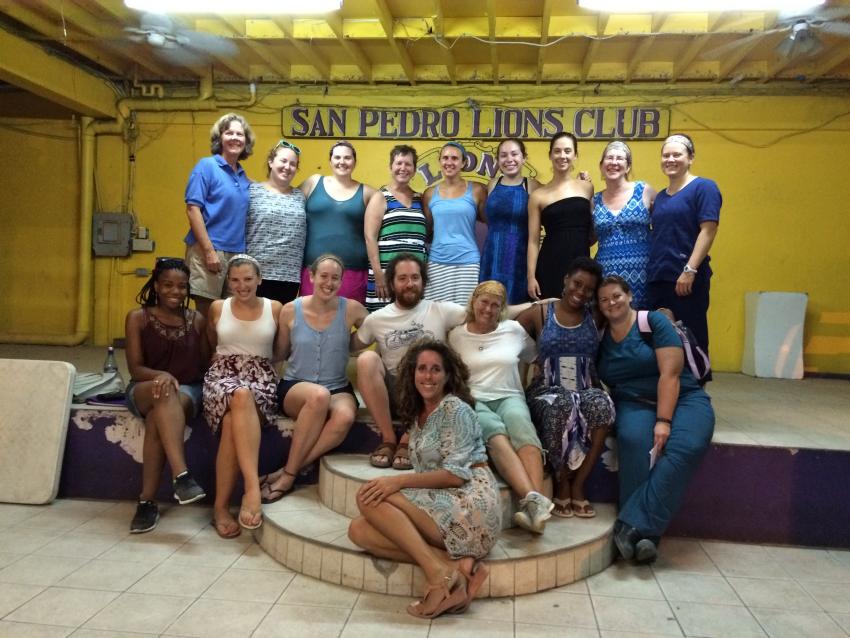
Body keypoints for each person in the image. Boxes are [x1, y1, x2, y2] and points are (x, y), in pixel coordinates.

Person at [348, 340, 500, 619]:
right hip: (445, 503)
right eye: (422, 369)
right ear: (411, 373)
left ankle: (438, 576)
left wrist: (397, 482)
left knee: (368, 497)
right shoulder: (419, 418)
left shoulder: (455, 408)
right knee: (358, 531)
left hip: (472, 501)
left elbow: (455, 475)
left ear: (448, 375)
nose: (428, 376)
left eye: (435, 369)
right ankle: (454, 569)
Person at [596, 275, 714, 563]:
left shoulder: (652, 323)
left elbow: (670, 374)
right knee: (634, 442)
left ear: (630, 295)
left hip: (683, 397)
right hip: (633, 403)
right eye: (604, 300)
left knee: (685, 447)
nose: (611, 303)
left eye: (616, 296)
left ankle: (631, 526)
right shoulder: (600, 336)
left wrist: (663, 421)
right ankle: (646, 536)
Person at [448, 281, 554, 534]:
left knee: (522, 426)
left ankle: (534, 508)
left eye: (496, 304)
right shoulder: (456, 335)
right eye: (484, 301)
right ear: (473, 302)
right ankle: (533, 499)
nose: (488, 308)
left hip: (510, 396)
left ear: (502, 309)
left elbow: (536, 357)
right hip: (474, 399)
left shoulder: (514, 330)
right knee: (494, 432)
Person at [260, 255, 368, 502]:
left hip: (338, 387)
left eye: (335, 278)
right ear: (311, 276)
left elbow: (378, 329)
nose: (329, 283)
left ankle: (288, 471)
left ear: (341, 281)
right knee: (318, 396)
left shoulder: (352, 309)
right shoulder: (290, 309)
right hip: (296, 386)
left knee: (345, 415)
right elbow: (280, 353)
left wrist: (356, 345)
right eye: (324, 276)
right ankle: (289, 475)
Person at [518, 257, 615, 518]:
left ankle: (579, 485)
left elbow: (626, 313)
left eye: (588, 289)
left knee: (601, 403)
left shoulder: (596, 316)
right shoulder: (540, 313)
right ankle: (561, 482)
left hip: (585, 390)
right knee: (560, 402)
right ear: (566, 280)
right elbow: (506, 325)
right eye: (577, 283)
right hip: (547, 391)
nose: (580, 292)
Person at [352, 253, 466, 470]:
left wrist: (536, 307)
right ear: (392, 283)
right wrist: (343, 312)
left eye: (415, 277)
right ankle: (388, 439)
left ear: (423, 281)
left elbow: (483, 313)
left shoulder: (441, 310)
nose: (409, 284)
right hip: (393, 393)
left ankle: (407, 438)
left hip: (430, 394)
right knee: (367, 359)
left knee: (434, 369)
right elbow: (348, 346)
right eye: (402, 278)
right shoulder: (376, 319)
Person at [124, 257, 209, 533]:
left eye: (182, 287)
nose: (176, 291)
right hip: (146, 386)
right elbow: (135, 368)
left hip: (186, 391)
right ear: (157, 286)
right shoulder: (138, 318)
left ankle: (146, 502)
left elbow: (204, 364)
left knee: (157, 419)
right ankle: (181, 475)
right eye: (168, 285)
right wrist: (160, 376)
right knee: (162, 391)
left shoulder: (196, 320)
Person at [204, 255, 282, 537]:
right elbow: (212, 343)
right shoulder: (217, 307)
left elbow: (280, 350)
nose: (242, 285)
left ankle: (221, 507)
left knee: (234, 416)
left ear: (259, 279)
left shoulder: (275, 308)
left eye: (248, 279)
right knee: (239, 396)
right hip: (221, 376)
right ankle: (252, 490)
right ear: (228, 281)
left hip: (261, 376)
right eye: (235, 280)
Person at [647, 133, 721, 359]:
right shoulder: (660, 197)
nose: (670, 159)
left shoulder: (704, 187)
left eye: (677, 154)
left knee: (692, 339)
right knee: (661, 341)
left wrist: (689, 270)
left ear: (690, 158)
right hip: (659, 279)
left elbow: (708, 230)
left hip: (686, 279)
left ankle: (695, 392)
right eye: (665, 155)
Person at [184, 113, 255, 318]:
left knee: (230, 317)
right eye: (229, 132)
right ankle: (203, 352)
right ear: (220, 138)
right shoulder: (206, 167)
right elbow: (192, 209)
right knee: (207, 318)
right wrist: (208, 251)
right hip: (209, 251)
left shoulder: (243, 177)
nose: (235, 138)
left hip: (237, 255)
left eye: (240, 134)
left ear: (246, 141)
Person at [299, 140, 376, 304]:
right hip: (312, 269)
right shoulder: (313, 182)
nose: (342, 162)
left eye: (347, 158)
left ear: (355, 162)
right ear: (330, 160)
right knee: (310, 318)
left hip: (353, 272)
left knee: (346, 321)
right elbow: (290, 206)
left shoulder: (368, 193)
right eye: (337, 157)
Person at [527, 132, 594, 300]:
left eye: (567, 151)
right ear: (550, 155)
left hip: (581, 261)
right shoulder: (538, 196)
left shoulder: (587, 187)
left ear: (575, 155)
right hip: (550, 262)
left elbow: (594, 230)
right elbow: (533, 241)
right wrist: (531, 277)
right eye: (557, 151)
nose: (562, 156)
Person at [592, 140, 656, 310]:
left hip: (643, 275)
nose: (614, 162)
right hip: (606, 276)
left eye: (619, 158)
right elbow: (590, 238)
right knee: (609, 328)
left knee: (643, 326)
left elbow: (662, 229)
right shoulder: (595, 201)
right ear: (601, 166)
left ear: (628, 167)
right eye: (609, 158)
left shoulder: (644, 190)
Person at [364, 144, 427, 312]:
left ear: (414, 170)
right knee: (383, 326)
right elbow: (370, 237)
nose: (403, 168)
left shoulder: (419, 199)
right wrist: (379, 276)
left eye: (408, 164)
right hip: (386, 277)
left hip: (413, 281)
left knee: (412, 326)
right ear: (391, 167)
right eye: (399, 163)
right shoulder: (380, 197)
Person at [422, 141, 487, 304]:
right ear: (440, 161)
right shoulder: (430, 193)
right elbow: (427, 232)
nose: (449, 162)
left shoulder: (477, 190)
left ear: (463, 163)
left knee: (463, 316)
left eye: (454, 158)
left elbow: (491, 222)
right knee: (436, 316)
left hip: (468, 264)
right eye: (445, 158)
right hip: (437, 263)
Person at [479, 138, 541, 304]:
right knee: (488, 303)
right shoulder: (492, 184)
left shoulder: (532, 185)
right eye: (503, 155)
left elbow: (557, 200)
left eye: (514, 154)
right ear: (498, 160)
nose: (509, 159)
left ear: (524, 158)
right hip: (491, 253)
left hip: (517, 256)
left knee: (512, 304)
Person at [245, 139, 306, 305]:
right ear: (271, 162)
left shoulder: (300, 196)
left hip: (289, 277)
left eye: (293, 164)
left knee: (282, 328)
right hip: (257, 274)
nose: (287, 167)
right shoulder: (252, 191)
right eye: (283, 161)